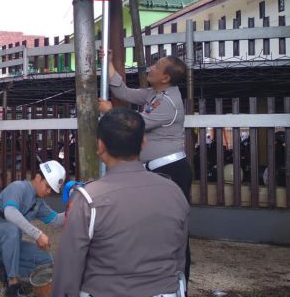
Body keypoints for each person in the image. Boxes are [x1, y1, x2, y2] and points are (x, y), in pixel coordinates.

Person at [52, 108, 190, 297]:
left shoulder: (88, 199)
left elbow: (68, 268)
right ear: (143, 142)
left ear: (100, 146)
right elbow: (180, 257)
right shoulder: (174, 192)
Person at [99, 49, 192, 281]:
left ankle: (179, 284)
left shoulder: (170, 102)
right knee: (151, 225)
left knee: (173, 229)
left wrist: (112, 112)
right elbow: (124, 92)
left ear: (166, 78)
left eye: (156, 66)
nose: (150, 68)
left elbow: (135, 124)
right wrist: (108, 62)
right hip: (155, 171)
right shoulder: (155, 93)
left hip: (170, 171)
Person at [0, 160, 67, 297]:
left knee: (47, 259)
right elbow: (10, 212)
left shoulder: (38, 202)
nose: (48, 191)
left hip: (8, 245)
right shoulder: (18, 188)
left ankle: (1, 267)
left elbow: (56, 220)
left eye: (51, 190)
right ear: (38, 178)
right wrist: (37, 234)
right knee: (12, 228)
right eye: (47, 186)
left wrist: (73, 210)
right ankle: (13, 286)